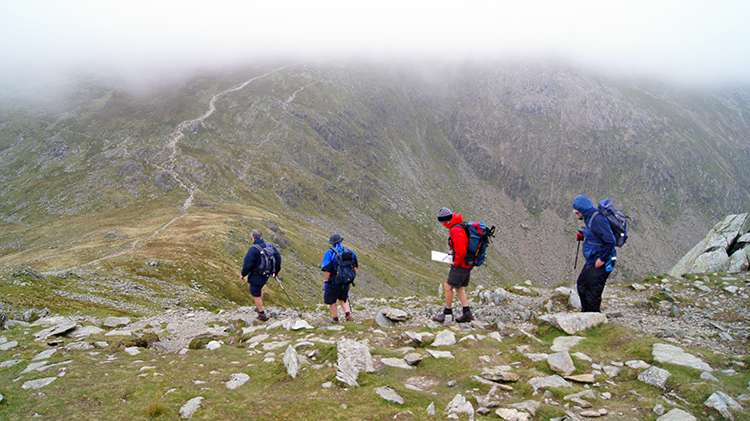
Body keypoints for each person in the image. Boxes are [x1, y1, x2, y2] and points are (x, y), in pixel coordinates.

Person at [573, 195, 617, 313]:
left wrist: (603, 259)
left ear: (583, 210)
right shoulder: (589, 218)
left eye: (577, 211)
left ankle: (593, 316)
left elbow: (610, 240)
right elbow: (597, 234)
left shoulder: (597, 219)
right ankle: (586, 313)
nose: (576, 213)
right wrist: (584, 235)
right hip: (593, 258)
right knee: (582, 284)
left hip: (602, 260)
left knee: (593, 290)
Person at [432, 207, 475, 323]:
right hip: (466, 263)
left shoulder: (455, 230)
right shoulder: (458, 225)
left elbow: (461, 250)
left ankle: (447, 314)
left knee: (448, 286)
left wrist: (455, 263)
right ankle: (467, 313)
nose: (441, 224)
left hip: (461, 263)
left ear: (445, 220)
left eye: (441, 222)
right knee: (457, 287)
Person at [241, 230, 281, 321]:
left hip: (256, 274)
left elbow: (248, 263)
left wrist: (243, 274)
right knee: (259, 289)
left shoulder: (254, 249)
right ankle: (259, 306)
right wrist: (276, 271)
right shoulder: (269, 245)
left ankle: (262, 314)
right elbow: (278, 257)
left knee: (255, 293)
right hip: (266, 274)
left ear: (254, 238)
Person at [321, 233, 356, 323]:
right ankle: (348, 316)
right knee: (343, 298)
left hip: (334, 281)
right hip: (346, 281)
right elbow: (355, 265)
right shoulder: (349, 251)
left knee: (332, 300)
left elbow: (327, 269)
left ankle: (335, 319)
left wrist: (326, 282)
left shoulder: (330, 252)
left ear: (332, 243)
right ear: (341, 241)